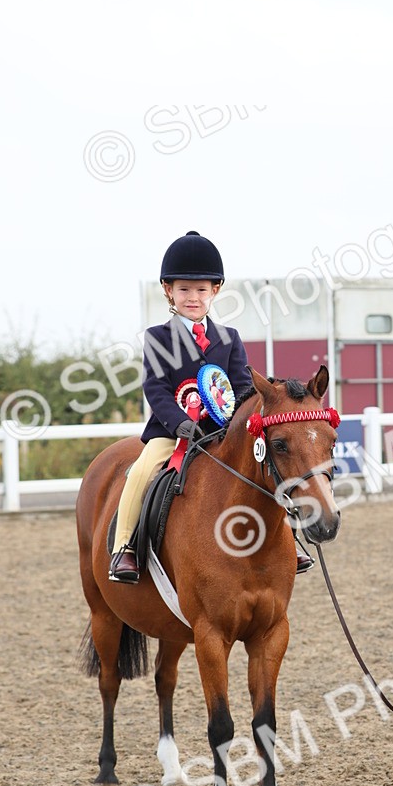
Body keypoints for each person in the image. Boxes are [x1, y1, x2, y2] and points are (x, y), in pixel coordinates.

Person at [109, 230, 256, 583]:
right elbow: (156, 388)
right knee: (142, 471)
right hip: (172, 434)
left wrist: (239, 423)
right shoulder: (158, 338)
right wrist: (179, 424)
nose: (193, 297)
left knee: (264, 465)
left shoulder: (229, 339)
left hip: (221, 434)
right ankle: (124, 547)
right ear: (168, 290)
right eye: (184, 289)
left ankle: (288, 540)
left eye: (201, 289)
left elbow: (242, 387)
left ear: (215, 290)